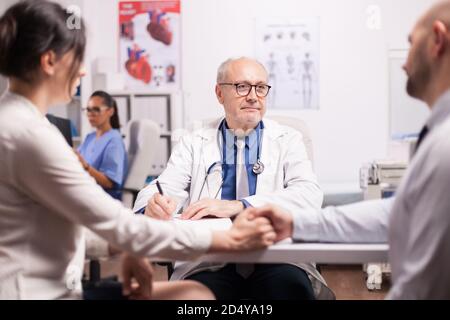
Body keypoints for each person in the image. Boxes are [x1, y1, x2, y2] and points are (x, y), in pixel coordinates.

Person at [0, 0, 276, 300]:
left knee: (193, 292)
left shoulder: (19, 122)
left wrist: (130, 241)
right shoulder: (30, 134)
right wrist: (228, 238)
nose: (82, 73)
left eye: (260, 87)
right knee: (193, 297)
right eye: (78, 59)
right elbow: (120, 222)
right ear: (50, 61)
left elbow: (69, 229)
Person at [252, 0, 450, 300]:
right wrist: (295, 222)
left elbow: (425, 286)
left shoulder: (444, 147)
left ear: (437, 39)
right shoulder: (437, 136)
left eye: (411, 44)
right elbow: (397, 213)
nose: (404, 62)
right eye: (240, 87)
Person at [133, 57, 333, 299]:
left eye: (260, 87)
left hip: (276, 256)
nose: (253, 96)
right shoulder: (194, 141)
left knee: (289, 290)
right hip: (211, 259)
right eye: (242, 86)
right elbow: (162, 188)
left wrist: (239, 206)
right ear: (220, 93)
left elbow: (309, 194)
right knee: (197, 298)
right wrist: (152, 206)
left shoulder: (289, 139)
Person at [77, 91, 128, 200]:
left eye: (96, 109)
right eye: (88, 110)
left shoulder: (114, 140)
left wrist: (85, 167)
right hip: (85, 192)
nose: (90, 114)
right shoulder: (90, 137)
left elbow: (110, 183)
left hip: (102, 198)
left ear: (110, 111)